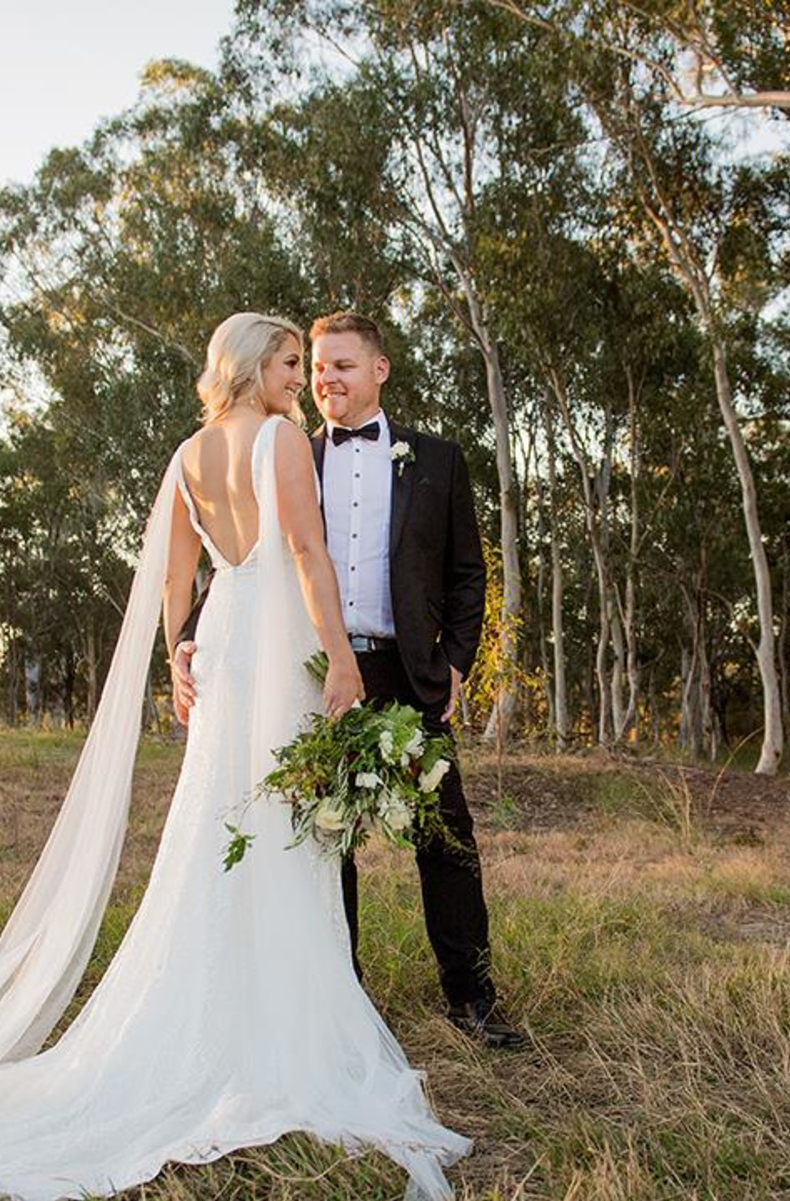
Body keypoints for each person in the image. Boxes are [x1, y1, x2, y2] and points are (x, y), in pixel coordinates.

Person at [0, 313, 471, 1201]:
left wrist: (181, 649)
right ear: (256, 365)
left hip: (224, 644)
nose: (301, 377)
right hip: (277, 642)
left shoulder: (187, 455)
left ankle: (236, 1000)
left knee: (226, 814)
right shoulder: (285, 442)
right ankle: (282, 1026)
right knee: (281, 822)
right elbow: (303, 550)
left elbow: (179, 577)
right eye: (292, 361)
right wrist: (339, 656)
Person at [174, 312, 527, 1050]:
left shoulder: (438, 460)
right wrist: (184, 638)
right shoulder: (286, 449)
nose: (323, 379)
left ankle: (473, 997)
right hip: (321, 669)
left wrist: (456, 661)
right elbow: (250, 562)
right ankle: (343, 997)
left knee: (447, 832)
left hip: (410, 667)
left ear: (379, 370)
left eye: (340, 365)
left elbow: (468, 574)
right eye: (316, 366)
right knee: (322, 838)